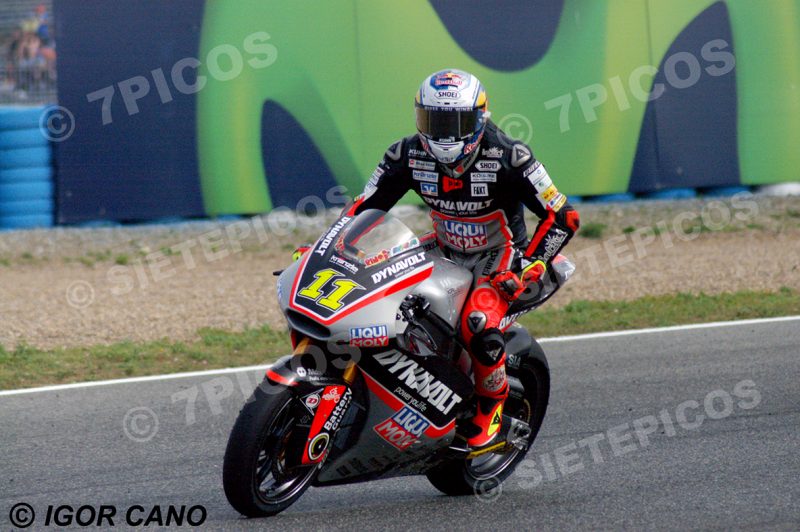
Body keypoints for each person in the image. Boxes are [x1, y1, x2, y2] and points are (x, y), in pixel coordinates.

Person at [346, 69, 580, 449]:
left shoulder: (510, 155)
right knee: (371, 286)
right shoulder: (405, 153)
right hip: (442, 244)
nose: (444, 134)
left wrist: (534, 264)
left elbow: (563, 216)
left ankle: (492, 408)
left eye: (456, 122)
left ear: (479, 118)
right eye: (435, 120)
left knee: (477, 323)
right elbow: (364, 206)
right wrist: (329, 244)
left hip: (498, 256)